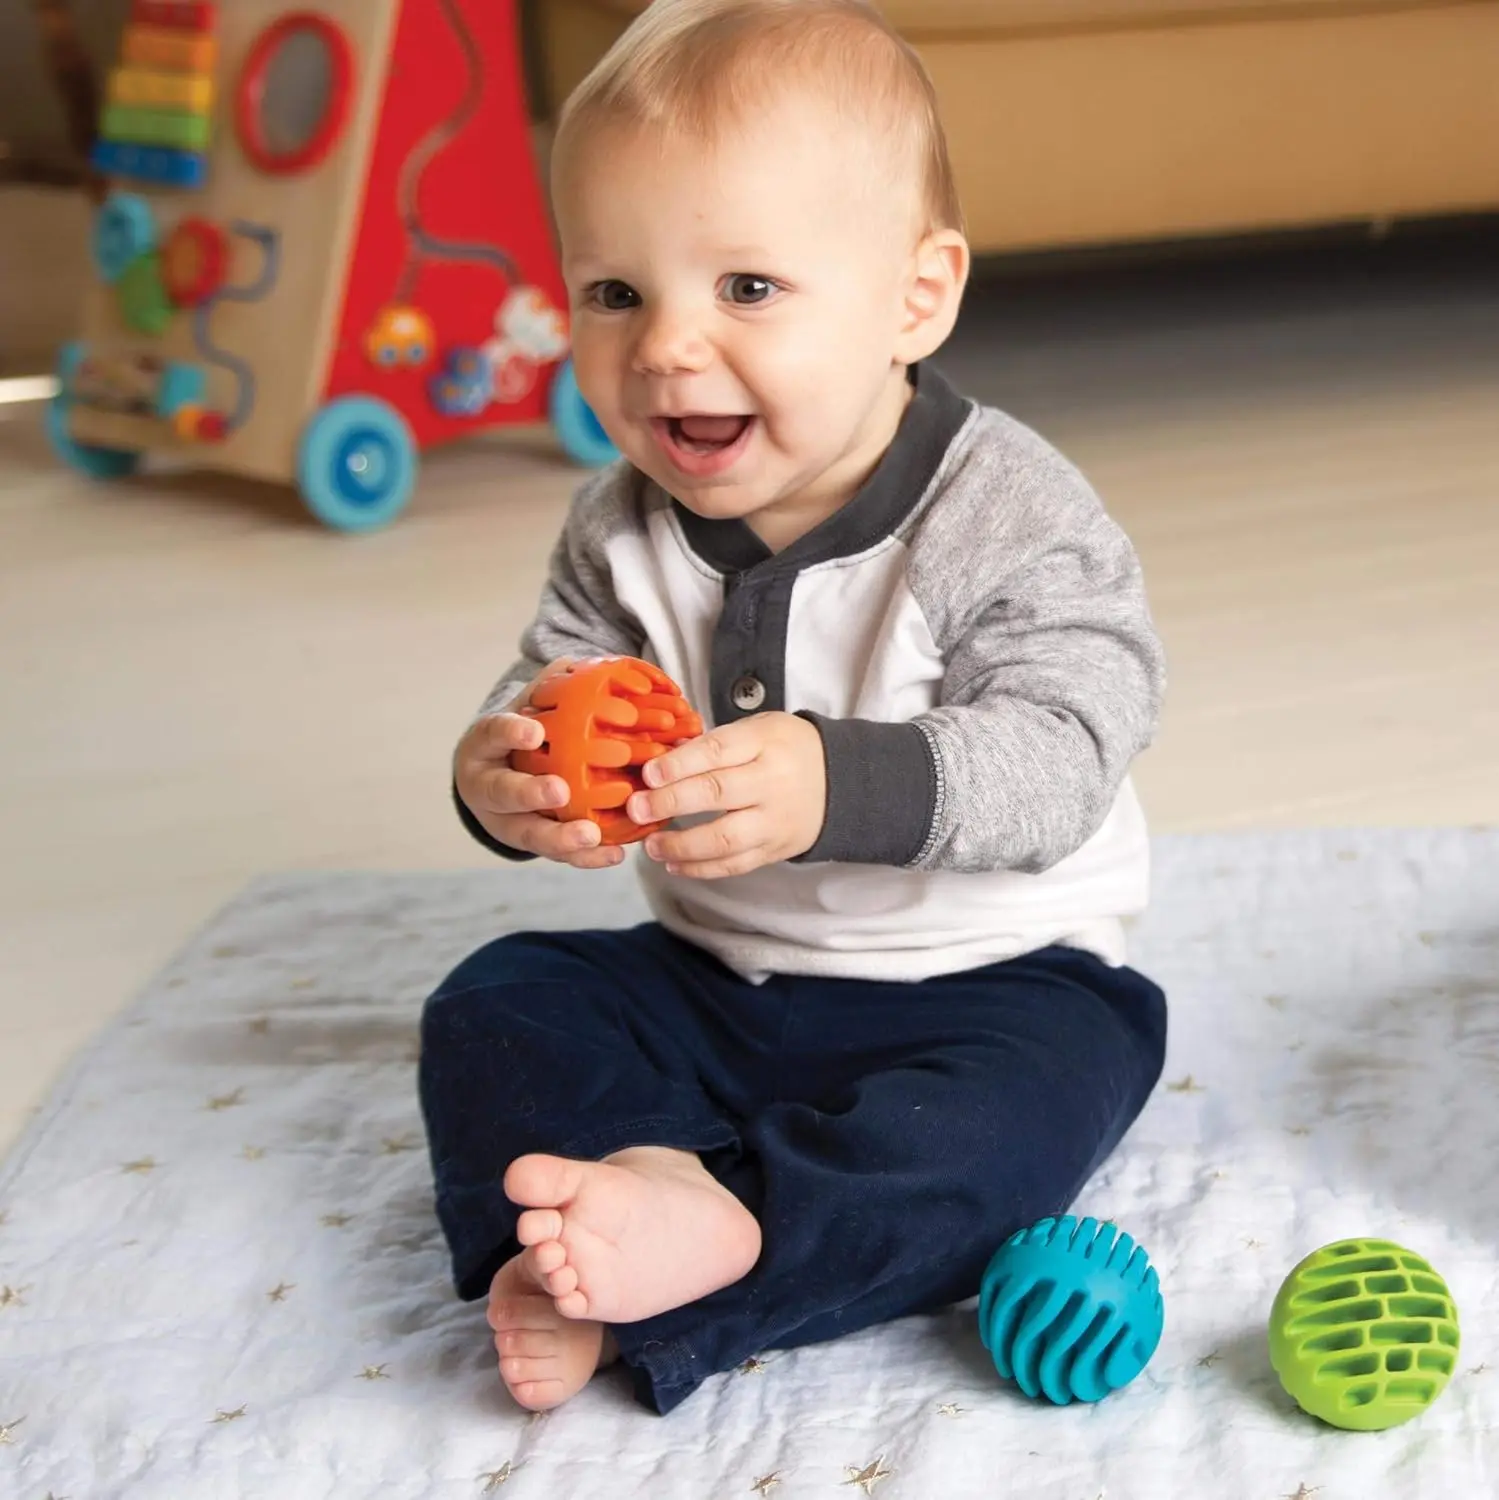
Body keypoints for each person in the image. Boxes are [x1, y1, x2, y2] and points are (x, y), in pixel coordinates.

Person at [420, 0, 1168, 1416]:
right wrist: (504, 775)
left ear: (914, 299)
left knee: (1005, 1135)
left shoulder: (1003, 511)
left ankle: (716, 1254)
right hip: (717, 974)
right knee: (499, 1002)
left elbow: (1071, 743)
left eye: (747, 288)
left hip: (995, 983)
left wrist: (841, 783)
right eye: (614, 293)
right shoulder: (618, 525)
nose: (665, 347)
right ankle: (641, 1183)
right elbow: (552, 677)